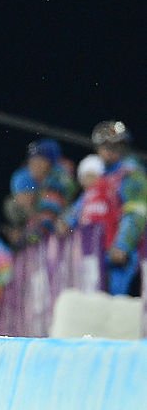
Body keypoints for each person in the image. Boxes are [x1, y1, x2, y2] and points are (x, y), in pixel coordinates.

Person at [83, 120, 147, 295]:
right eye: (105, 145)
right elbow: (82, 206)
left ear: (123, 147)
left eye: (115, 145)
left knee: (118, 304)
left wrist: (123, 245)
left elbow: (136, 212)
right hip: (96, 254)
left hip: (121, 256)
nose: (109, 150)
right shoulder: (100, 176)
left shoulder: (131, 175)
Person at [1, 139, 76, 247]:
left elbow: (46, 225)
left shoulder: (55, 184)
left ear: (48, 162)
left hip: (59, 246)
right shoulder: (46, 184)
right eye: (31, 160)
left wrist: (23, 238)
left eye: (37, 160)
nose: (32, 165)